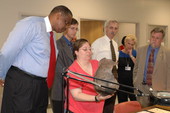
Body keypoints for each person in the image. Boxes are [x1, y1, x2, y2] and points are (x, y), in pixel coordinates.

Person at [0, 5, 73, 113]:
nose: (66, 27)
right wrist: (1, 73)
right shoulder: (32, 24)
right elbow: (8, 51)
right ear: (58, 16)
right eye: (66, 22)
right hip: (23, 82)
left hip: (41, 86)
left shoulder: (51, 36)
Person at [66, 39, 112, 113]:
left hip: (97, 109)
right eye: (85, 49)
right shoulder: (72, 70)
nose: (89, 52)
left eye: (90, 49)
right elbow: (77, 95)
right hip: (79, 110)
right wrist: (96, 98)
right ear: (76, 52)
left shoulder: (96, 63)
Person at [133, 27, 170, 107]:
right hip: (142, 88)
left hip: (159, 90)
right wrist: (135, 82)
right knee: (142, 110)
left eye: (157, 38)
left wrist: (168, 91)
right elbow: (136, 69)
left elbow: (168, 73)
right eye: (152, 37)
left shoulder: (167, 52)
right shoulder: (140, 50)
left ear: (162, 40)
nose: (154, 40)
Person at [51, 18, 78, 113]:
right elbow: (59, 69)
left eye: (76, 29)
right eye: (72, 28)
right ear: (65, 28)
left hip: (74, 89)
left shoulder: (75, 45)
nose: (75, 31)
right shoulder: (57, 45)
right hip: (60, 89)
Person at [91, 20, 119, 113]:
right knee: (101, 106)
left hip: (113, 79)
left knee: (110, 106)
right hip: (102, 81)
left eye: (115, 28)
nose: (113, 31)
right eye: (111, 28)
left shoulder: (115, 44)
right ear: (106, 28)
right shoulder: (97, 43)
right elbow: (92, 62)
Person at [117, 34, 137, 103]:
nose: (130, 46)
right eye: (128, 43)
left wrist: (131, 55)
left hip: (132, 82)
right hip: (121, 82)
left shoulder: (135, 53)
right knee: (122, 102)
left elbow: (137, 65)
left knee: (134, 102)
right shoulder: (118, 53)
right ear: (125, 43)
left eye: (132, 44)